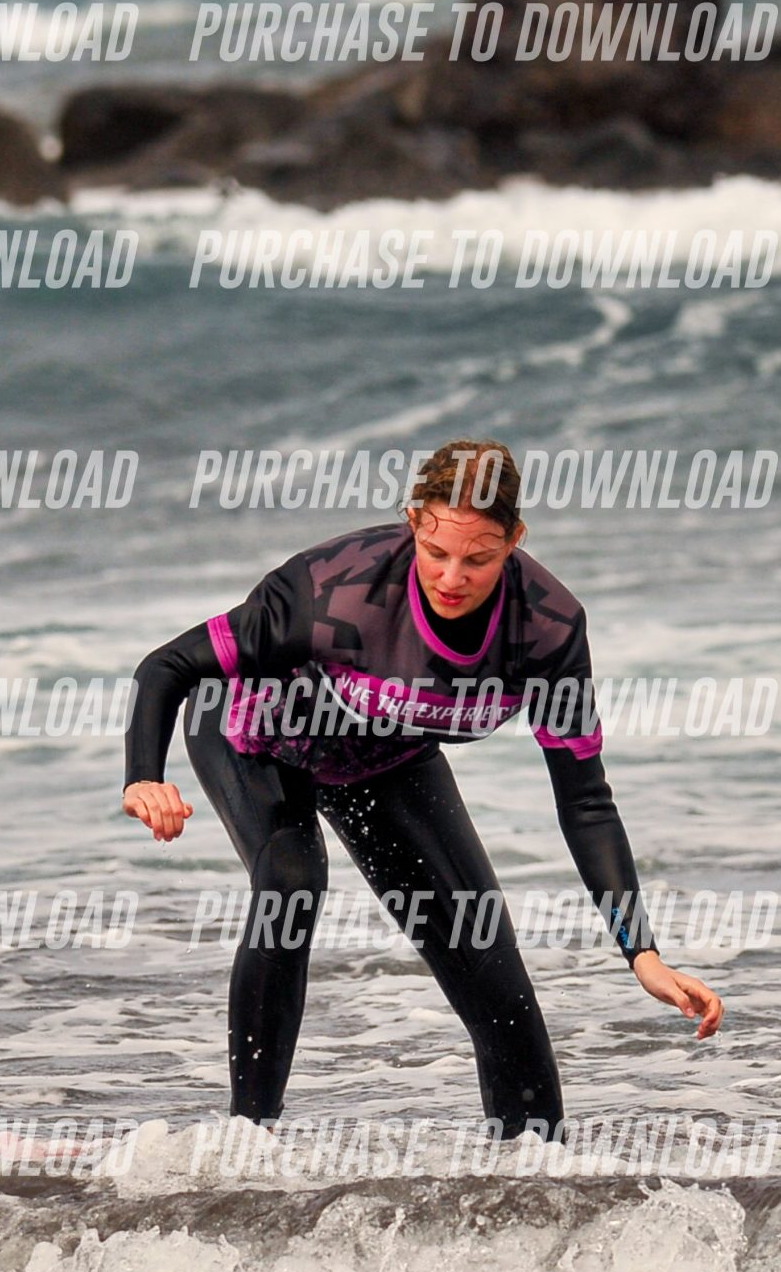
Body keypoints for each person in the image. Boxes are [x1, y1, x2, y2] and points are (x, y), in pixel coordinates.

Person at [119, 438, 721, 1135]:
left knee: (494, 976)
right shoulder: (334, 590)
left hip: (385, 758)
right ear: (413, 523)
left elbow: (585, 800)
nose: (452, 577)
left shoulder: (547, 629)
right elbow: (166, 667)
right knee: (292, 881)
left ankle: (537, 1175)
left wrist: (641, 952)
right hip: (252, 733)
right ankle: (247, 1141)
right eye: (436, 552)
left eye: (479, 558)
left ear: (515, 540)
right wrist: (144, 777)